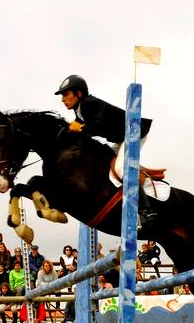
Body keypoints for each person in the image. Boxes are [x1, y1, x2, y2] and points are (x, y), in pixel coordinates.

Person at [55, 74, 157, 228]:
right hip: (121, 138)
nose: (63, 99)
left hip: (135, 131)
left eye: (66, 94)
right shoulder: (80, 109)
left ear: (79, 93)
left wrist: (80, 129)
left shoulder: (89, 104)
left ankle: (146, 211)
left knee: (123, 169)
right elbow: (76, 129)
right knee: (102, 160)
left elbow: (96, 127)